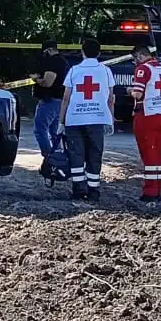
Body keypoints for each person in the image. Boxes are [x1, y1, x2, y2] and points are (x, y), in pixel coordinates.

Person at [57, 38, 116, 200]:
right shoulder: (105, 71)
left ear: (82, 52)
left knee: (76, 155)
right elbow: (111, 98)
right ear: (99, 53)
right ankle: (94, 191)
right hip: (97, 119)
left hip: (74, 120)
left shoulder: (74, 70)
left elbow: (66, 98)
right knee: (94, 155)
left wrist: (61, 122)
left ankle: (78, 190)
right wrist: (110, 120)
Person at [129, 44, 161, 201]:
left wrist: (130, 91)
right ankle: (157, 187)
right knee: (157, 152)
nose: (135, 62)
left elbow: (138, 94)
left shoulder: (143, 69)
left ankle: (150, 191)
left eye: (135, 59)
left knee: (148, 153)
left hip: (147, 115)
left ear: (140, 56)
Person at [31, 40, 69, 159]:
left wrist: (36, 79)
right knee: (54, 132)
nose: (44, 55)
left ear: (50, 50)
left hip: (50, 101)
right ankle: (58, 159)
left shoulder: (54, 61)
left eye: (45, 52)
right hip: (59, 101)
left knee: (39, 129)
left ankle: (49, 158)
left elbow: (47, 82)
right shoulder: (63, 61)